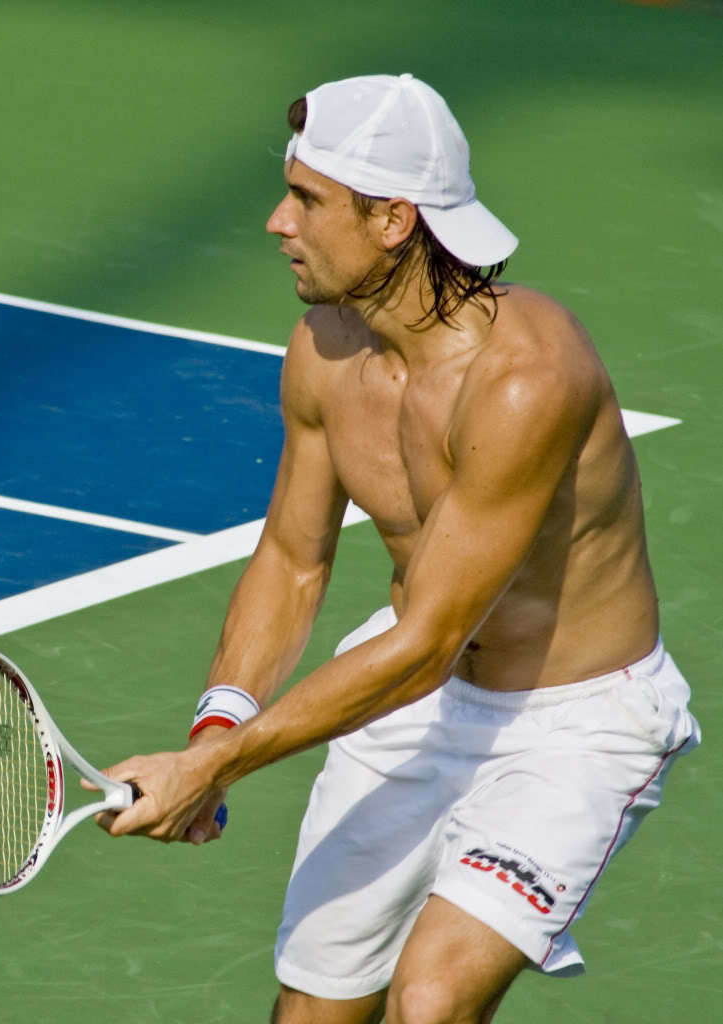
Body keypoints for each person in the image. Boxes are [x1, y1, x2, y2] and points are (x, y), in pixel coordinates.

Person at [92, 74, 701, 1024]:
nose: (277, 222)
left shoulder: (524, 378)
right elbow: (292, 558)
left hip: (572, 725)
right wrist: (213, 734)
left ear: (391, 220)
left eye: (306, 199)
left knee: (429, 1000)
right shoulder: (322, 349)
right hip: (414, 703)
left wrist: (219, 771)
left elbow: (426, 641)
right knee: (316, 1009)